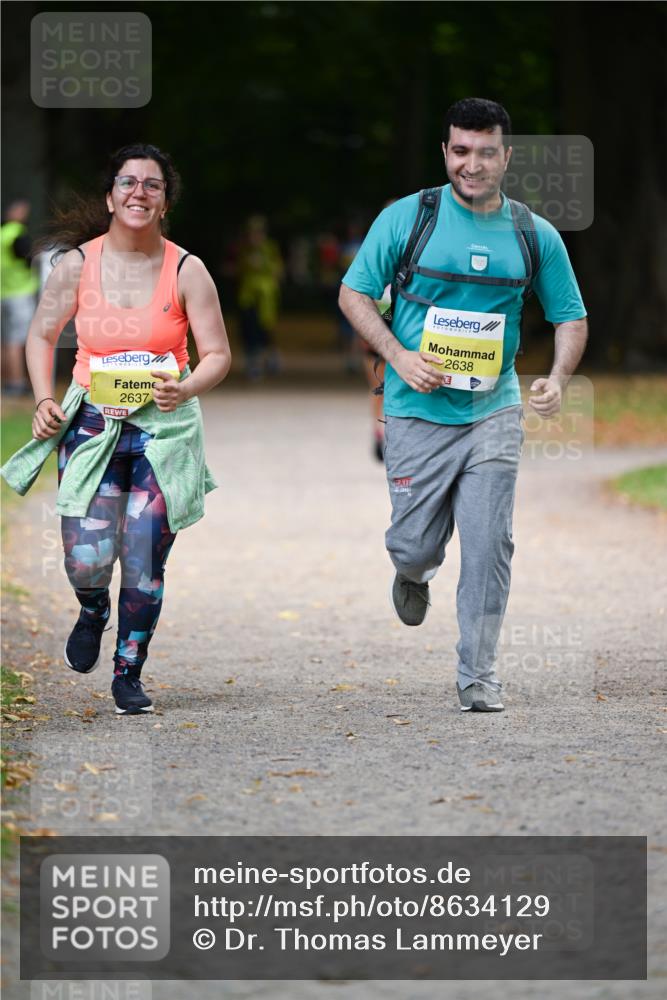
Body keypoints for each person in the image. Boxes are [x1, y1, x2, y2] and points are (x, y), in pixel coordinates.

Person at [339, 98, 587, 713]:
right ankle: (413, 570)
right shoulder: (408, 218)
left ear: (506, 156)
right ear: (445, 152)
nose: (470, 165)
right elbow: (354, 294)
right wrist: (399, 356)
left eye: (484, 152)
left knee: (488, 542)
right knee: (415, 542)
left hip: (493, 410)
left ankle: (478, 673)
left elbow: (571, 318)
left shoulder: (534, 234)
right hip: (416, 410)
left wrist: (557, 377)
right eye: (459, 151)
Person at [1, 143, 231, 716]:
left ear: (165, 202)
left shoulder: (187, 269)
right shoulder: (77, 264)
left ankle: (129, 669)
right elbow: (40, 336)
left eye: (152, 185)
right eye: (128, 183)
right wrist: (45, 399)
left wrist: (187, 386)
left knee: (144, 555)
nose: (139, 193)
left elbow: (218, 354)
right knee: (86, 557)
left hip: (164, 431)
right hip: (91, 426)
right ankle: (92, 608)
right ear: (110, 197)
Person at [237, 214, 283, 380]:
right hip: (248, 295)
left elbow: (277, 269)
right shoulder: (244, 249)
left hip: (266, 296)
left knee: (266, 329)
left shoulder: (269, 248)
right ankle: (253, 362)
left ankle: (271, 356)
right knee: (249, 329)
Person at [1, 199, 39, 395]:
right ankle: (17, 383)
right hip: (19, 293)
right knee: (18, 341)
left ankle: (7, 381)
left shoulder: (2, 234)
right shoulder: (17, 234)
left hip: (3, 293)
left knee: (6, 340)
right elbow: (28, 259)